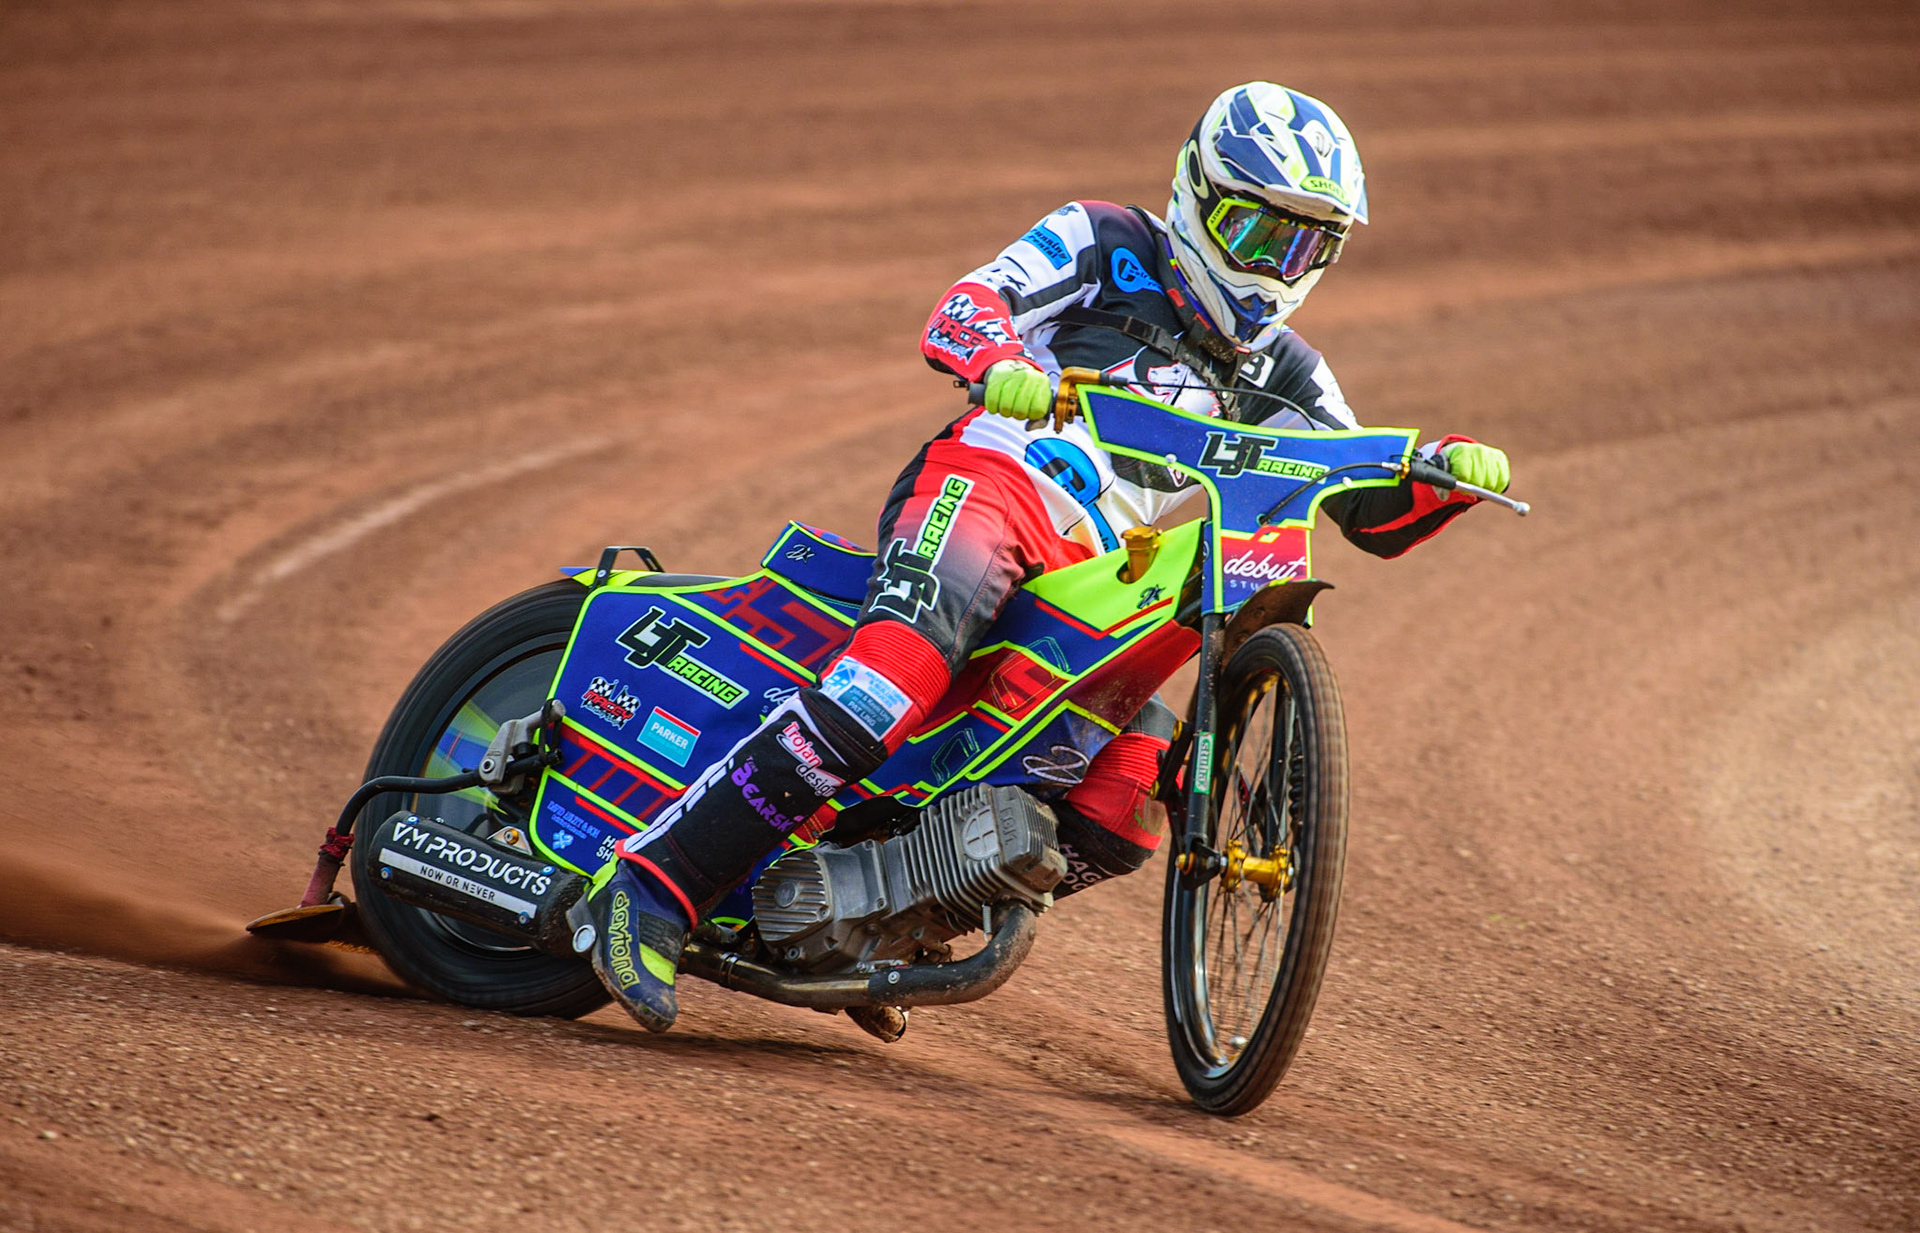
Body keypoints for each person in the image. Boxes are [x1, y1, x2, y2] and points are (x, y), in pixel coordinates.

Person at [575, 81, 1512, 1031]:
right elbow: (968, 304)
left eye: (1306, 246)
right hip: (993, 484)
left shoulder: (1289, 371)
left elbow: (1364, 504)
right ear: (1198, 194)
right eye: (1258, 231)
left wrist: (1440, 475)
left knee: (1127, 790)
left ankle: (883, 919)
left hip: (1097, 568)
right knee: (890, 683)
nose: (1276, 268)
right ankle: (647, 886)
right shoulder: (1106, 239)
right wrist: (999, 365)